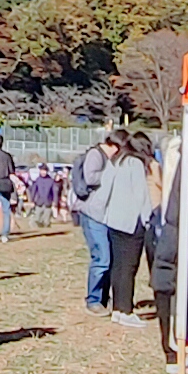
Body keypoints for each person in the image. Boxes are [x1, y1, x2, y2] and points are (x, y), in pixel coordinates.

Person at [80, 132, 157, 324]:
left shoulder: (117, 161)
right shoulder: (136, 164)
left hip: (114, 221)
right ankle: (125, 310)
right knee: (129, 267)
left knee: (118, 266)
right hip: (132, 223)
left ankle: (117, 309)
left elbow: (105, 188)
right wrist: (148, 219)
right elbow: (142, 196)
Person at [73, 131, 117, 310]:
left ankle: (102, 297)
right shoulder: (95, 155)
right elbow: (91, 178)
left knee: (106, 257)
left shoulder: (103, 157)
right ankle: (93, 299)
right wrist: (112, 174)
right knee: (102, 257)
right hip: (91, 212)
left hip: (101, 213)